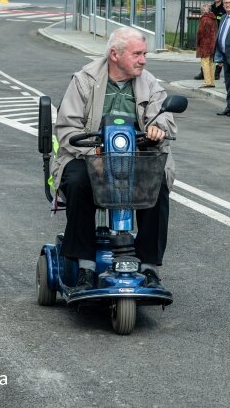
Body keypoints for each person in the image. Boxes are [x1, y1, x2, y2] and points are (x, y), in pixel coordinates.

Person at [51, 27, 178, 291]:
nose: (143, 60)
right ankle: (85, 266)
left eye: (144, 54)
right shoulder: (85, 79)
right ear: (114, 55)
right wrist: (93, 153)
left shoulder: (149, 82)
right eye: (137, 54)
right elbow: (67, 129)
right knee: (77, 182)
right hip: (90, 156)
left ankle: (149, 267)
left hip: (138, 157)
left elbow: (165, 118)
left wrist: (158, 128)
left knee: (157, 185)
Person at [195, 0, 226, 80]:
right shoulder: (211, 7)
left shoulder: (223, 8)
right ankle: (203, 73)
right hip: (210, 35)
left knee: (218, 54)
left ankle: (217, 73)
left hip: (220, 32)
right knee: (207, 54)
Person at [195, 3, 218, 88]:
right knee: (211, 63)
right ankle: (212, 81)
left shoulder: (204, 19)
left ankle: (207, 81)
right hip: (213, 43)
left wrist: (198, 43)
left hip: (205, 43)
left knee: (204, 62)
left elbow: (200, 33)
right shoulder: (213, 18)